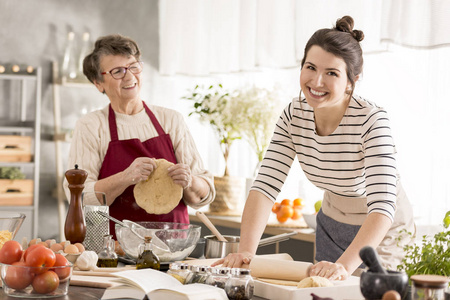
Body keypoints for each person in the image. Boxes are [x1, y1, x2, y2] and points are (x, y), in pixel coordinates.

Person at [212, 16, 415, 280]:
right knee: (321, 292)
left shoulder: (372, 120)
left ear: (351, 81)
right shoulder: (293, 115)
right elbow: (264, 187)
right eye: (310, 67)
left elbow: (382, 205)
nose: (317, 81)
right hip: (332, 220)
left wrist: (343, 266)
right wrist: (246, 255)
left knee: (370, 293)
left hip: (382, 228)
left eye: (331, 73)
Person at [63, 34, 215, 237]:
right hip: (114, 249)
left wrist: (190, 181)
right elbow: (78, 197)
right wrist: (125, 177)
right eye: (118, 71)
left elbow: (205, 194)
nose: (129, 76)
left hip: (172, 246)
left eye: (133, 66)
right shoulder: (91, 126)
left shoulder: (171, 120)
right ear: (98, 83)